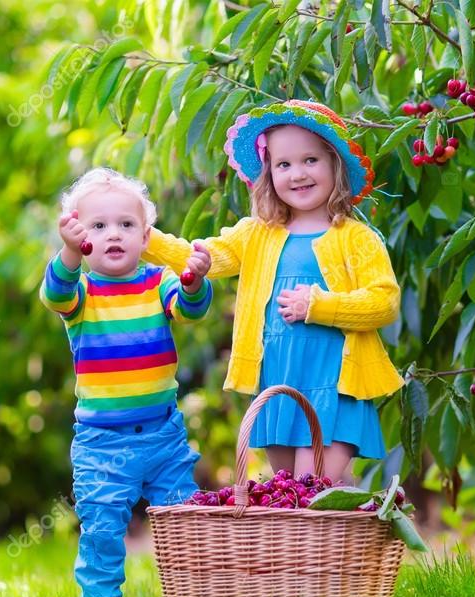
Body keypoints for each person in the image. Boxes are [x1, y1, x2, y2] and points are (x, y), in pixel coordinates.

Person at [144, 100, 404, 485]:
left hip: (335, 386)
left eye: (311, 160)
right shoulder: (257, 234)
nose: (297, 174)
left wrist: (320, 306)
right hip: (279, 384)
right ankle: (341, 539)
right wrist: (144, 237)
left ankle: (347, 535)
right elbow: (202, 255)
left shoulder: (355, 238)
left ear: (335, 165)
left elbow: (385, 302)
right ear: (269, 173)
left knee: (312, 488)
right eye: (283, 165)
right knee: (292, 496)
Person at [39, 167, 212, 597]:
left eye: (126, 225)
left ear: (146, 235)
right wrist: (69, 253)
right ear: (81, 238)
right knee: (101, 527)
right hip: (102, 443)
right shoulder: (82, 292)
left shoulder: (158, 282)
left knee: (184, 521)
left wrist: (194, 281)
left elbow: (189, 309)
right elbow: (54, 294)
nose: (113, 235)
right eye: (97, 226)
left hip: (164, 436)